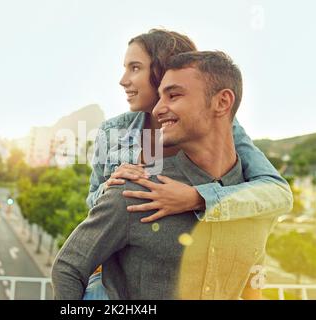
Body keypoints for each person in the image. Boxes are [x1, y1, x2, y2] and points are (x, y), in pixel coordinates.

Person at [82, 29, 293, 299]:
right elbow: (92, 203)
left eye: (135, 68)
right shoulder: (113, 131)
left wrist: (196, 198)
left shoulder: (220, 127)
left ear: (163, 71)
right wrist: (111, 191)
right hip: (114, 280)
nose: (123, 80)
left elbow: (277, 193)